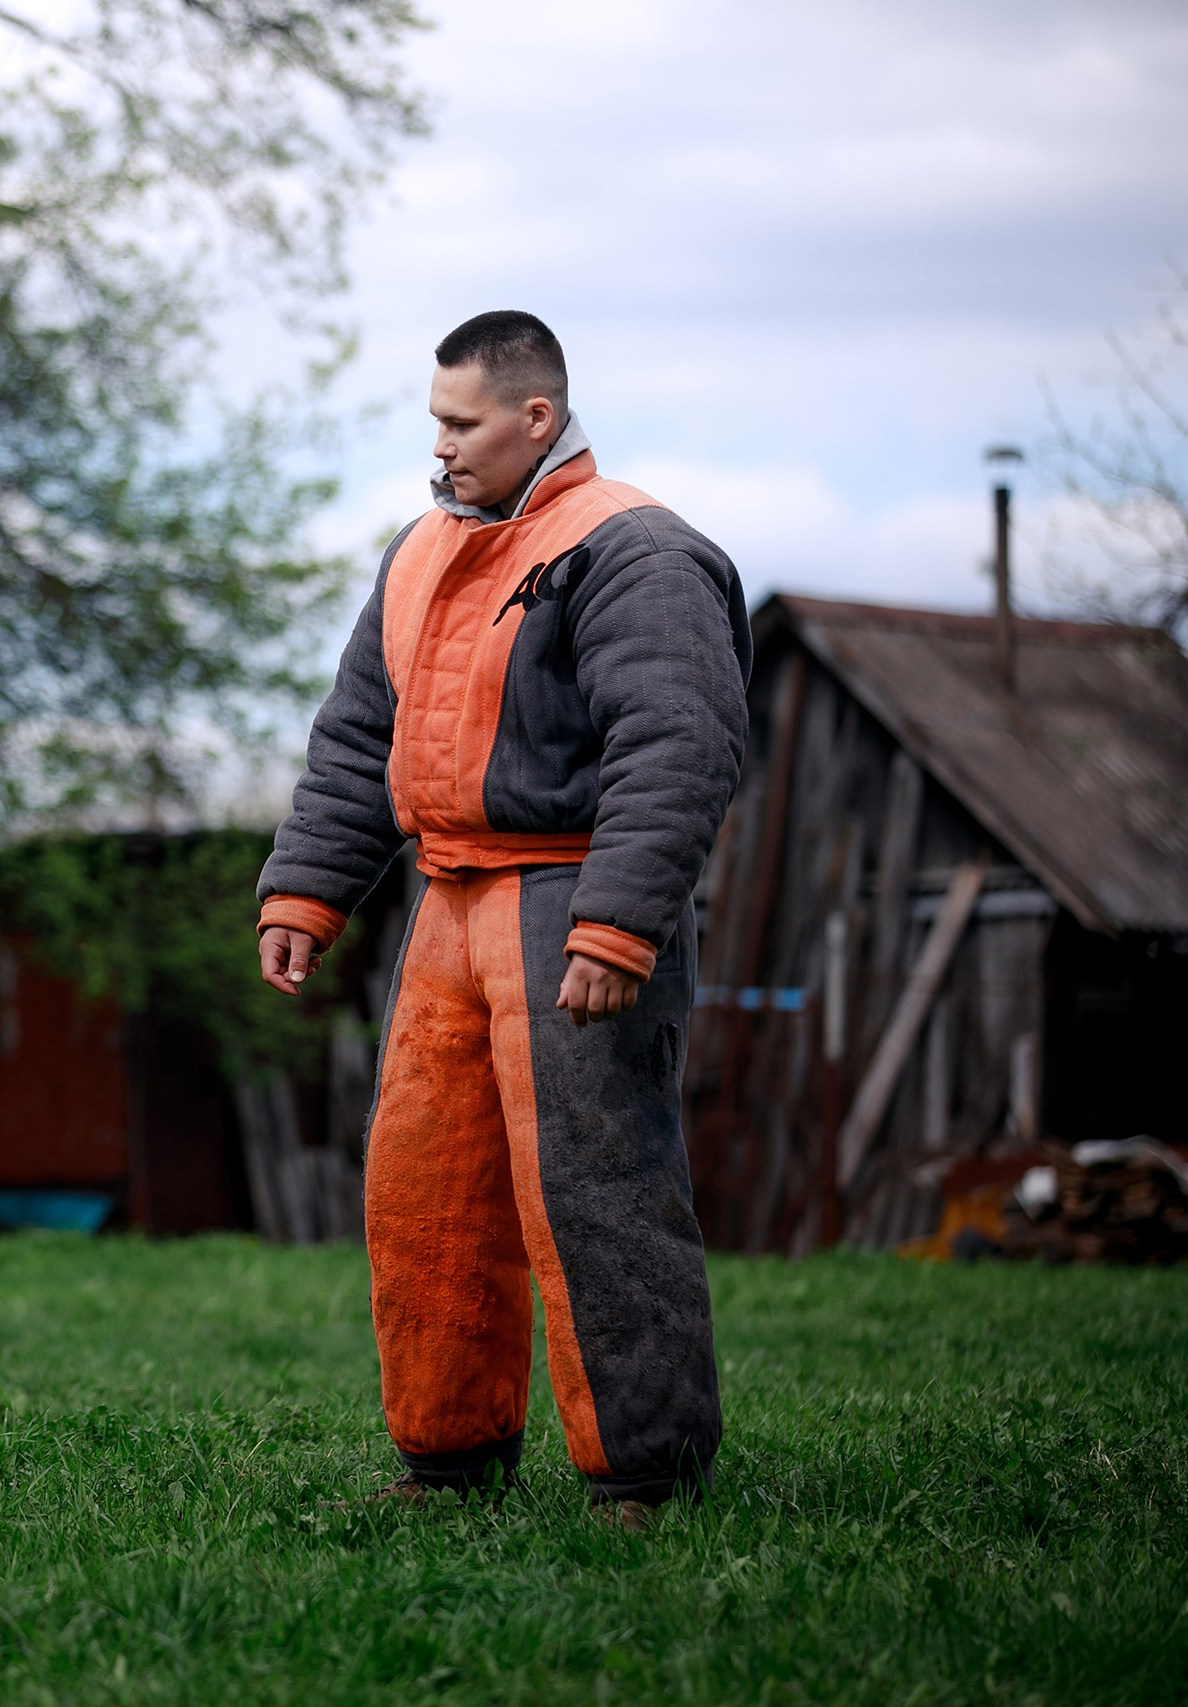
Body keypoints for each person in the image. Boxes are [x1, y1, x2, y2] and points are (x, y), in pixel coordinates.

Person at [256, 312, 750, 1526]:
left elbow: (677, 741)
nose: (440, 445)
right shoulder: (418, 552)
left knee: (595, 1190)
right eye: (433, 420)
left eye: (461, 422)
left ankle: (645, 1476)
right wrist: (308, 891)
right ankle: (445, 1460)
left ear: (537, 418)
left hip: (564, 899)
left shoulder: (633, 549)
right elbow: (359, 739)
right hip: (444, 906)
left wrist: (615, 924)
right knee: (424, 1192)